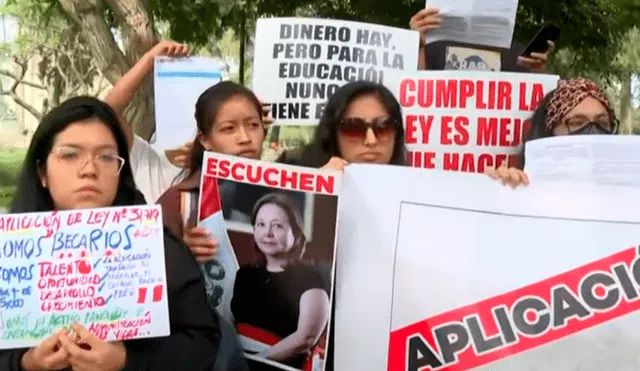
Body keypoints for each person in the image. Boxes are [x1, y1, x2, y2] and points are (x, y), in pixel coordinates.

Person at [0, 96, 240, 370]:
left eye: (106, 157)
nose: (89, 170)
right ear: (42, 171)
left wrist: (128, 361)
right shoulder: (8, 250)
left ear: (120, 170)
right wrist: (24, 363)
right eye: (69, 154)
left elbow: (203, 342)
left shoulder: (158, 248)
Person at [231, 193, 329, 370]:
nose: (267, 233)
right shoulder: (244, 274)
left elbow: (305, 338)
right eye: (261, 224)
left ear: (295, 232)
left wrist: (256, 361)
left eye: (277, 226)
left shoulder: (311, 278)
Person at [487, 77, 618, 187]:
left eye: (602, 123)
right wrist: (504, 189)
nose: (592, 131)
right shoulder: (525, 186)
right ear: (550, 131)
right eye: (577, 123)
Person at [278, 81, 407, 170]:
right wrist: (319, 185)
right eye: (354, 128)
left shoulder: (417, 190)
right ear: (332, 134)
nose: (371, 140)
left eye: (383, 127)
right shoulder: (292, 176)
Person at [410, 8, 554, 72]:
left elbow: (537, 107)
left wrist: (538, 70)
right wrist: (415, 43)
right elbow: (415, 91)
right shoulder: (432, 43)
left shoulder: (519, 54)